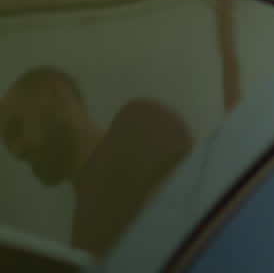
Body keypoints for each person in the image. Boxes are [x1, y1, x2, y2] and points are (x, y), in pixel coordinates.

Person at [0, 66, 192, 258]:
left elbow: (182, 229)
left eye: (16, 129)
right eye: (9, 146)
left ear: (56, 96)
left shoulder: (138, 124)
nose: (17, 152)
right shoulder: (80, 238)